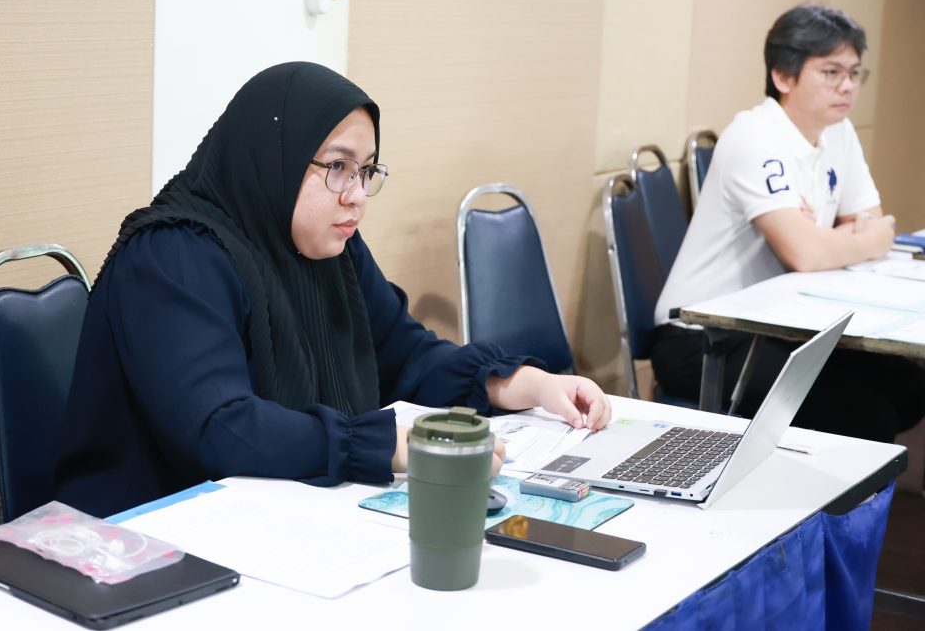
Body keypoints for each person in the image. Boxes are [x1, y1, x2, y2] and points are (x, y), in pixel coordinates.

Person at [54, 61, 612, 517]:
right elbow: (220, 427)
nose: (357, 196)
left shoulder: (328, 245)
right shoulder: (173, 255)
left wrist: (522, 382)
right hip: (147, 538)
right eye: (338, 167)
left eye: (365, 170)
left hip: (278, 520)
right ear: (273, 157)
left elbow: (403, 354)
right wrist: (391, 446)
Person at [651, 3, 924, 442]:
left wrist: (828, 239)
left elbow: (872, 223)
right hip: (703, 337)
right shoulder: (755, 136)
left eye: (854, 73)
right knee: (866, 418)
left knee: (910, 387)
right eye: (831, 72)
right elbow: (809, 253)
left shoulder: (838, 130)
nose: (847, 86)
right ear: (783, 76)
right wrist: (836, 241)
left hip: (781, 324)